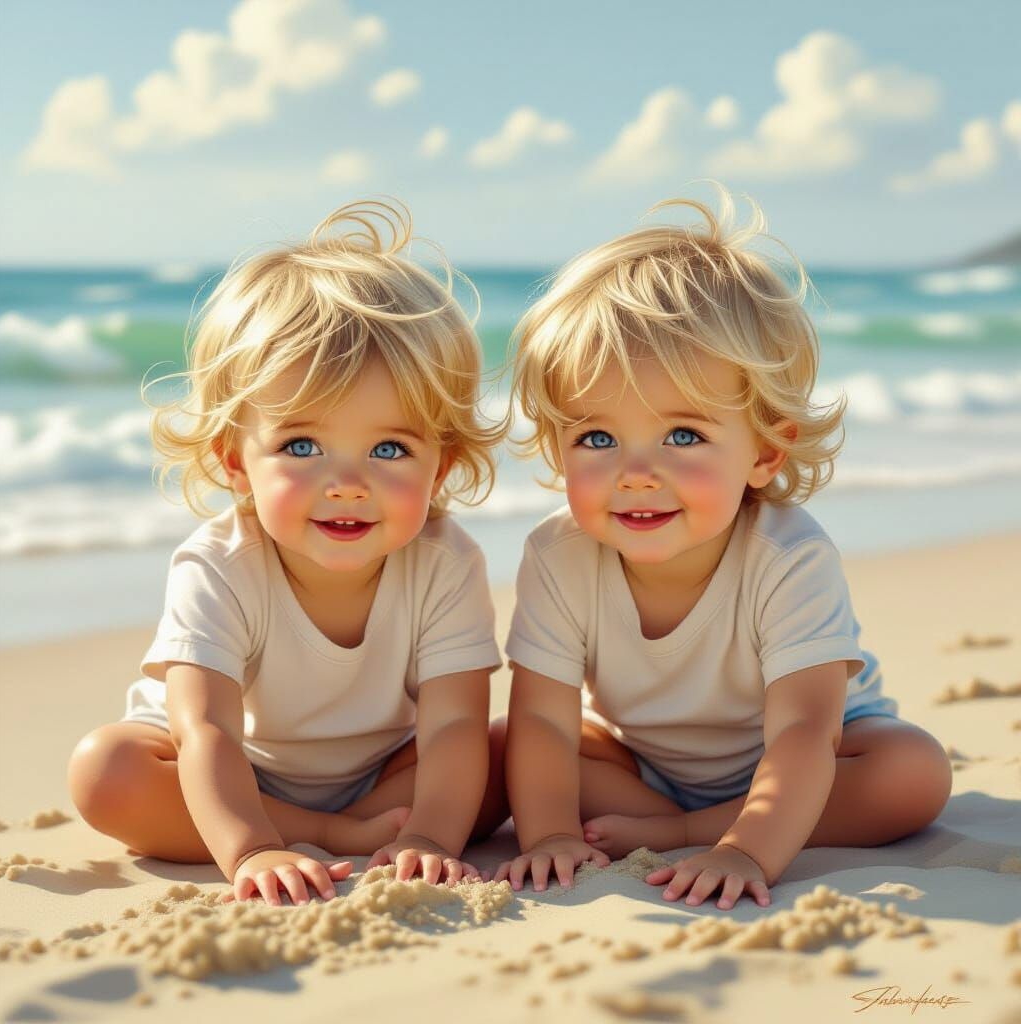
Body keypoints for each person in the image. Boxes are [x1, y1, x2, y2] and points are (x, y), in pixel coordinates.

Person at [495, 187, 952, 910]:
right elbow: (546, 718)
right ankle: (661, 814)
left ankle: (688, 824)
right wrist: (549, 832)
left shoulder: (788, 557)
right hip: (639, 761)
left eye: (683, 436)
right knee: (509, 743)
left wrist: (742, 846)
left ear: (766, 453)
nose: (635, 471)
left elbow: (805, 730)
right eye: (596, 437)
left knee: (914, 773)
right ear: (557, 445)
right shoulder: (558, 554)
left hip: (811, 759)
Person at [68, 200, 509, 905]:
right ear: (235, 463)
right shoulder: (219, 565)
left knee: (503, 750)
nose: (348, 485)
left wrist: (429, 835)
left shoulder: (445, 562)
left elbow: (452, 723)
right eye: (302, 447)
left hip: (383, 771)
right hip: (234, 772)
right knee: (107, 771)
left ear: (443, 467)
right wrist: (252, 849)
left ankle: (371, 824)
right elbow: (205, 727)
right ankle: (332, 831)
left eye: (389, 448)